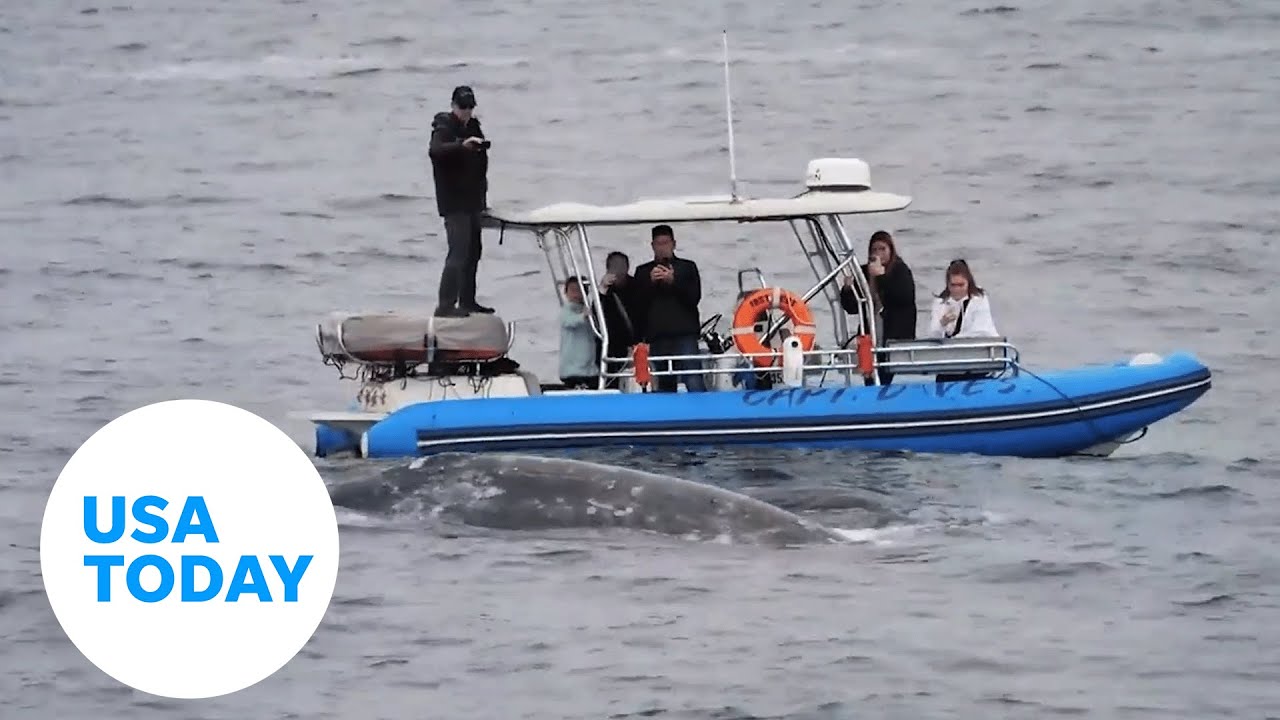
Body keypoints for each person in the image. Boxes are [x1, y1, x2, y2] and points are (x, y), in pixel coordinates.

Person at [429, 85, 492, 318]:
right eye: (463, 107)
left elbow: (481, 166)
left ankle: (467, 300)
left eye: (470, 107)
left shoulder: (474, 126)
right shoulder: (443, 126)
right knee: (458, 252)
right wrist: (461, 146)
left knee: (474, 250)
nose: (466, 111)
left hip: (473, 200)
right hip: (454, 202)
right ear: (454, 106)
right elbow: (436, 151)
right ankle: (445, 305)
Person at [632, 224, 706, 392]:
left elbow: (694, 297)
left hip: (684, 333)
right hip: (658, 335)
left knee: (693, 377)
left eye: (666, 243)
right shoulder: (643, 271)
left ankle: (703, 413)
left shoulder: (687, 267)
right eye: (659, 244)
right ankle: (669, 415)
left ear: (674, 244)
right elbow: (637, 304)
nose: (662, 247)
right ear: (652, 246)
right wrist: (650, 283)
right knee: (664, 380)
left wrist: (674, 281)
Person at [838, 230, 917, 385]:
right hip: (871, 327)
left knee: (886, 372)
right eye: (875, 249)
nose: (879, 253)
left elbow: (902, 298)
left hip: (894, 331)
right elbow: (852, 307)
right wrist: (847, 290)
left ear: (890, 250)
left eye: (882, 249)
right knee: (870, 372)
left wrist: (881, 277)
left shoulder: (900, 270)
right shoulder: (863, 272)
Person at [926, 259, 1000, 383]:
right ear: (947, 284)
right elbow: (932, 336)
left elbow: (981, 331)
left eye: (961, 285)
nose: (957, 290)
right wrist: (942, 324)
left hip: (977, 362)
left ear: (968, 283)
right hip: (949, 364)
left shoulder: (979, 300)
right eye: (953, 285)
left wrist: (954, 340)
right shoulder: (940, 302)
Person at [598, 251, 644, 389]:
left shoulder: (638, 286)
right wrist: (602, 290)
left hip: (637, 345)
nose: (618, 271)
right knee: (611, 385)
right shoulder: (604, 290)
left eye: (621, 266)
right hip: (612, 347)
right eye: (614, 266)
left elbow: (645, 313)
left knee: (640, 383)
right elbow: (596, 315)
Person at [558, 277, 599, 389]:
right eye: (573, 290)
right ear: (566, 292)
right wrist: (583, 316)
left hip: (589, 368)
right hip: (573, 369)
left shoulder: (588, 310)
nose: (576, 294)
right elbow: (569, 322)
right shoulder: (566, 310)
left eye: (580, 290)